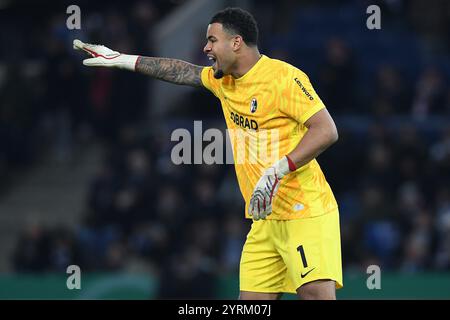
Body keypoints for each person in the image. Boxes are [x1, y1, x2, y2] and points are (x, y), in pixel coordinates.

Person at [73, 7, 342, 300]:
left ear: (236, 43)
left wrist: (279, 169)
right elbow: (181, 70)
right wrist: (123, 59)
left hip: (304, 211)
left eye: (212, 40)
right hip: (264, 221)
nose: (206, 48)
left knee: (316, 296)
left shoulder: (283, 78)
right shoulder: (223, 81)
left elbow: (326, 130)